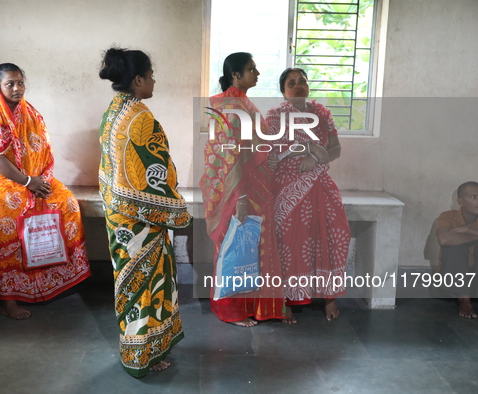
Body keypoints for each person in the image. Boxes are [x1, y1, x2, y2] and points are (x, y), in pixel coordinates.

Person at [0, 63, 91, 320]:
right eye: (9, 84)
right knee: (10, 222)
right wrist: (28, 183)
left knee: (66, 203)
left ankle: (47, 280)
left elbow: (41, 148)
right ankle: (8, 301)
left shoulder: (29, 112)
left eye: (20, 82)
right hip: (1, 181)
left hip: (31, 176)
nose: (16, 88)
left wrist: (39, 181)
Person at [98, 47, 192, 377]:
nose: (153, 81)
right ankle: (143, 356)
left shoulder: (112, 112)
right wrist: (176, 210)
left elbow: (110, 170)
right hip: (142, 220)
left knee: (130, 286)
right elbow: (154, 172)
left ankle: (142, 350)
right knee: (147, 287)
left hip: (119, 219)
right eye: (150, 75)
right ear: (138, 80)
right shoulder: (140, 118)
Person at [200, 52, 285, 327]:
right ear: (236, 74)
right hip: (242, 191)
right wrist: (241, 199)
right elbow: (228, 158)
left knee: (252, 248)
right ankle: (232, 310)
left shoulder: (242, 103)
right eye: (252, 68)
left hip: (258, 188)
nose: (257, 73)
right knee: (236, 246)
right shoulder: (229, 106)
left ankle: (254, 307)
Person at [265, 67, 351, 322]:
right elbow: (271, 152)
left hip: (320, 181)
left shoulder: (322, 113)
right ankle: (285, 300)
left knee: (333, 233)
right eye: (292, 82)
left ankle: (329, 296)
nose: (299, 85)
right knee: (290, 239)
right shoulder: (275, 116)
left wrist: (314, 156)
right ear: (283, 91)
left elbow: (334, 149)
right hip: (288, 184)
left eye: (302, 80)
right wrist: (307, 147)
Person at [436, 181, 478, 318]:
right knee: (454, 245)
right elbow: (444, 239)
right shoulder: (448, 216)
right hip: (454, 275)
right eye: (473, 197)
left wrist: (468, 229)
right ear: (460, 201)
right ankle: (464, 299)